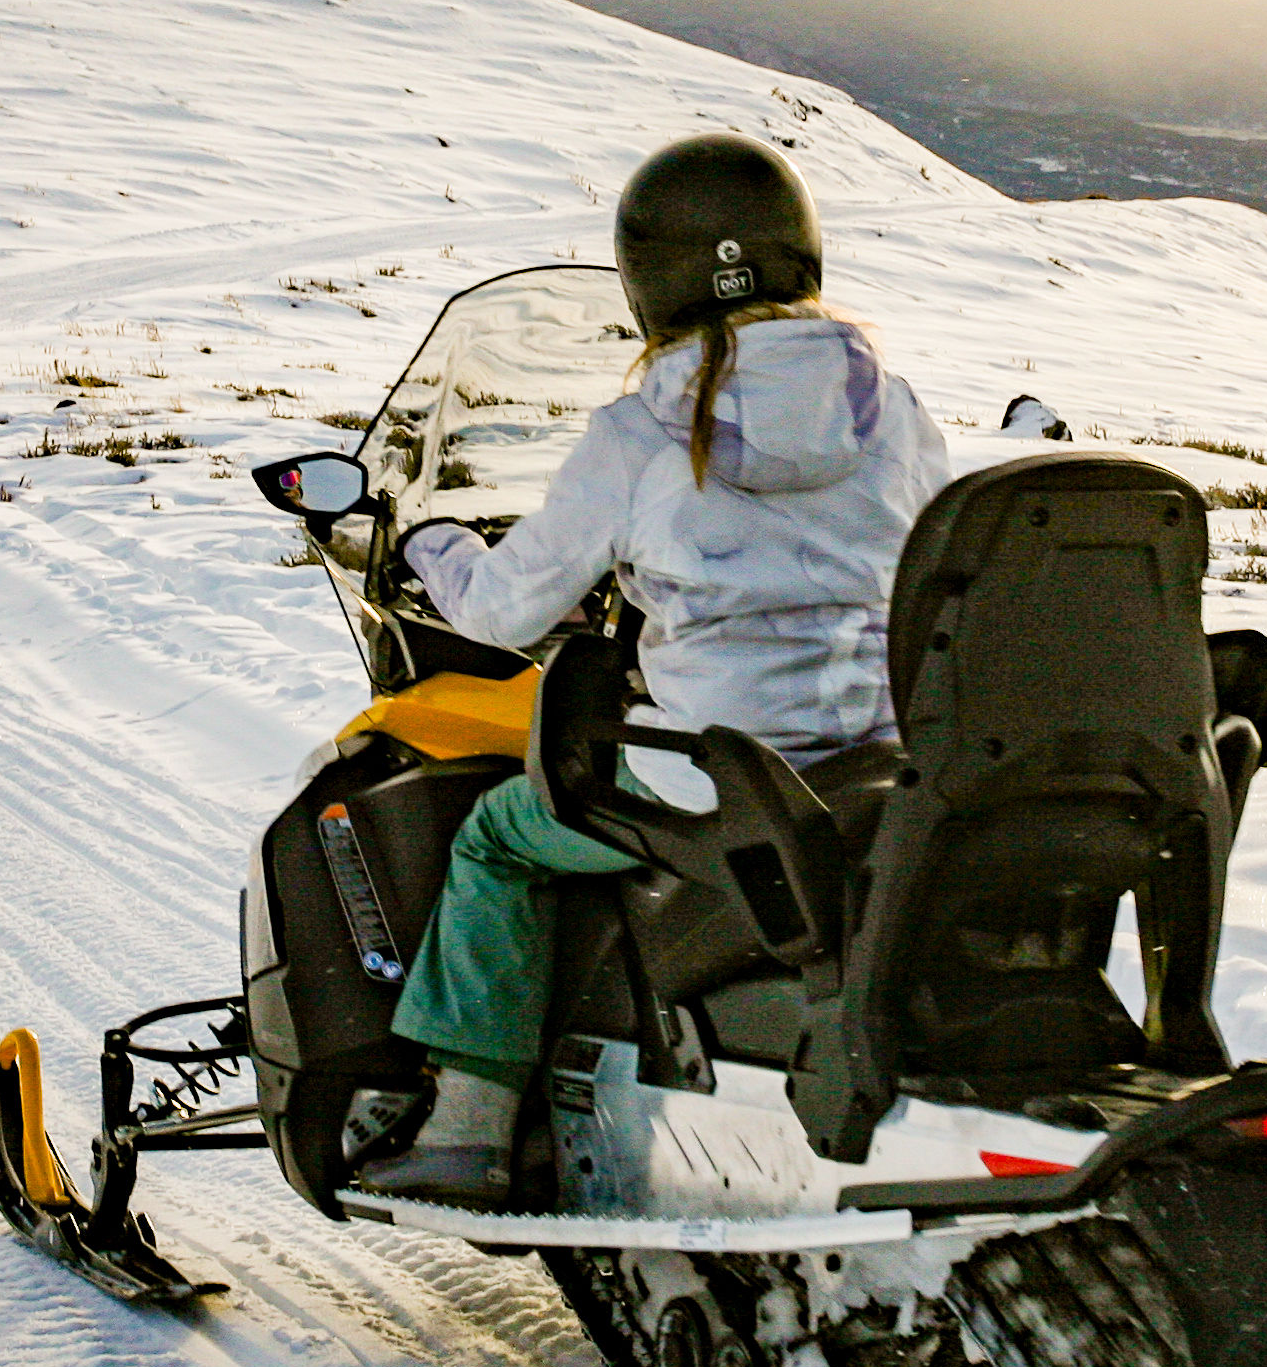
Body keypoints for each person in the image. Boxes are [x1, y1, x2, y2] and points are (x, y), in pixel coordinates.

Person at [351, 133, 948, 1207]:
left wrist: (431, 543)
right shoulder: (893, 409)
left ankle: (469, 1126)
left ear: (649, 284)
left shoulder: (643, 426)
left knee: (497, 836)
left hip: (709, 778)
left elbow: (504, 607)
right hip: (869, 763)